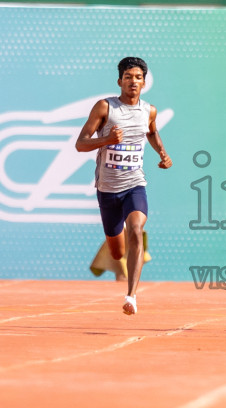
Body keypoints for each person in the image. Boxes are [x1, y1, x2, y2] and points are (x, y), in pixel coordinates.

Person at [74, 57, 172, 316]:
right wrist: (106, 139)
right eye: (128, 77)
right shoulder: (105, 108)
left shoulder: (149, 110)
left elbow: (151, 131)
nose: (133, 81)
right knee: (117, 252)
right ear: (120, 81)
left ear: (144, 82)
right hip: (107, 189)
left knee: (137, 229)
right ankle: (116, 250)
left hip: (134, 184)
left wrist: (163, 153)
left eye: (138, 77)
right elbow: (81, 143)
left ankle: (131, 296)